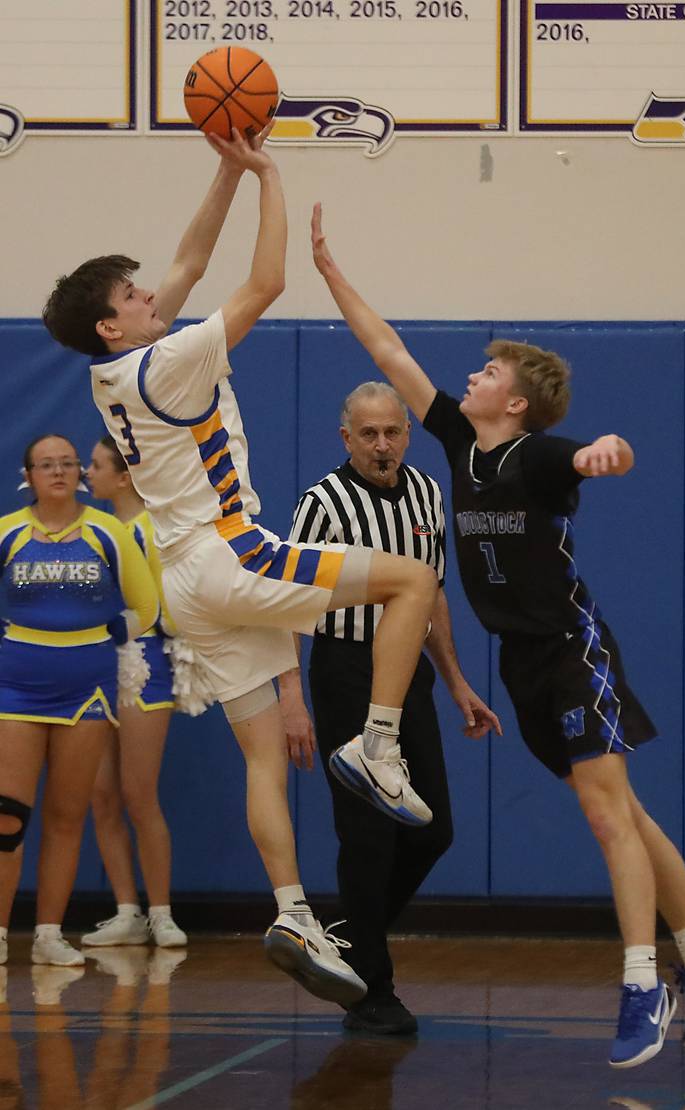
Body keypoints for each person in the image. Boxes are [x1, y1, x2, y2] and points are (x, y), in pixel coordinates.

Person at [307, 203, 685, 1067]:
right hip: (519, 665)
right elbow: (388, 350)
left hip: (571, 652)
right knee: (625, 810)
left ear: (514, 400)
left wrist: (605, 454)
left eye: (486, 370)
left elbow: (598, 451)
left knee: (606, 816)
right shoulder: (456, 444)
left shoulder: (538, 457)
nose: (469, 377)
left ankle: (640, 984)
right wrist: (330, 275)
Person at [41, 128, 439, 1007]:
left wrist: (223, 164)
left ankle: (294, 912)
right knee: (414, 578)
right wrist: (267, 174)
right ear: (114, 322)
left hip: (189, 587)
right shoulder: (171, 362)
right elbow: (265, 283)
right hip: (231, 552)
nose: (154, 291)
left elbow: (186, 255)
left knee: (263, 753)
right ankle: (378, 744)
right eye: (135, 293)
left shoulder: (116, 371)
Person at [279, 381, 500, 1034]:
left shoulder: (429, 492)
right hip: (346, 675)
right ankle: (371, 991)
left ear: (408, 432)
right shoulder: (322, 502)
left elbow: (431, 597)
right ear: (346, 437)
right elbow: (284, 604)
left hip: (408, 683)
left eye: (392, 431)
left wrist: (456, 681)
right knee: (368, 836)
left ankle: (345, 940)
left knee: (432, 829)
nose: (382, 444)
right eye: (368, 433)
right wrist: (291, 696)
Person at [0, 434, 158, 968]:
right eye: (47, 465)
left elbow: (148, 607)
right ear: (29, 475)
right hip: (16, 689)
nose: (60, 472)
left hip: (87, 690)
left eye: (68, 463)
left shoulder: (108, 532)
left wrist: (120, 627)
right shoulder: (7, 534)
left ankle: (48, 935)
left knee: (68, 814)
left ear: (81, 474)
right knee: (7, 817)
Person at [82, 435, 186, 951]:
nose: (86, 472)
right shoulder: (92, 532)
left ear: (124, 477)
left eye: (96, 465)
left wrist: (122, 625)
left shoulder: (152, 531)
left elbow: (168, 611)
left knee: (138, 793)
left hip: (144, 664)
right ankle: (127, 910)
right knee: (100, 793)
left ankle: (162, 913)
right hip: (94, 668)